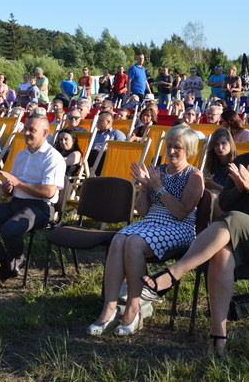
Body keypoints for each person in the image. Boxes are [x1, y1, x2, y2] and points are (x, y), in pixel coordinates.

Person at [141, 109, 249, 356]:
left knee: (233, 219)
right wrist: (240, 189)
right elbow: (225, 204)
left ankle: (173, 274)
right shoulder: (242, 162)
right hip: (236, 234)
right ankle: (218, 337)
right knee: (221, 254)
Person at [87, 126, 203, 336]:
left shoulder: (194, 176)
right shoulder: (158, 170)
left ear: (189, 150)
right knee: (118, 239)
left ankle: (134, 307)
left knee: (133, 242)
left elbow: (181, 213)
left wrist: (158, 188)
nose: (172, 151)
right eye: (170, 146)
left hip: (179, 227)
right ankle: (109, 307)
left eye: (178, 147)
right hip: (151, 221)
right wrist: (144, 187)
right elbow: (142, 211)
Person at [0, 114, 66, 282]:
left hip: (41, 207)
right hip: (17, 202)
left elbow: (49, 192)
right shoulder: (21, 155)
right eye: (26, 129)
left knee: (10, 229)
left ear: (45, 133)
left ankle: (14, 262)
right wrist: (8, 187)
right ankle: (6, 262)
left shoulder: (53, 157)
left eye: (32, 130)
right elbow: (12, 189)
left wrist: (18, 184)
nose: (26, 133)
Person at [202, 128, 237, 193]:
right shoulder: (210, 163)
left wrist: (213, 185)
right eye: (216, 144)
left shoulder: (237, 164)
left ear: (230, 144)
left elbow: (234, 194)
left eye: (223, 143)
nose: (220, 147)